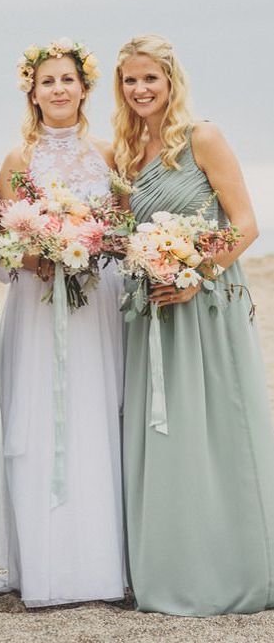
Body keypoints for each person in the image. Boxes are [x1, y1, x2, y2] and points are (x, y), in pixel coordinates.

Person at [113, 34, 274, 616]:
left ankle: (233, 564)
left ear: (171, 79)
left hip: (204, 304)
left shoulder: (200, 136)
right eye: (130, 80)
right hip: (151, 306)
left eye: (150, 78)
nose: (140, 89)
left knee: (213, 430)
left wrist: (194, 273)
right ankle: (168, 561)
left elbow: (246, 224)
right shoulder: (125, 152)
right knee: (161, 435)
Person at [0, 38, 126, 606]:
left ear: (85, 86)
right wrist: (44, 254)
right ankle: (40, 562)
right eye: (47, 81)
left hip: (96, 301)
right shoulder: (18, 161)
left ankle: (101, 560)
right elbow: (2, 248)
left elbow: (122, 232)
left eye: (67, 79)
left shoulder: (109, 153)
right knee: (39, 417)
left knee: (97, 413)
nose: (58, 90)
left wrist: (88, 245)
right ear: (32, 91)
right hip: (37, 302)